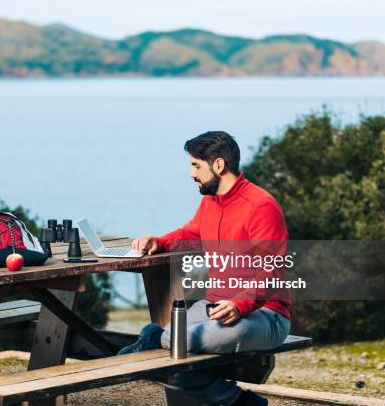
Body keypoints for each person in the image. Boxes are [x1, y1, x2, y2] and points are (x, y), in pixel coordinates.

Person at [119, 131, 292, 406]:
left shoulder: (260, 207)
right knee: (169, 353)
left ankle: (154, 336)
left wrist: (240, 304)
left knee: (173, 341)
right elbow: (191, 233)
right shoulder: (211, 201)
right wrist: (159, 241)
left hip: (265, 315)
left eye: (196, 165)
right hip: (213, 306)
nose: (191, 174)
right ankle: (235, 400)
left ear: (219, 165)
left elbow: (271, 273)